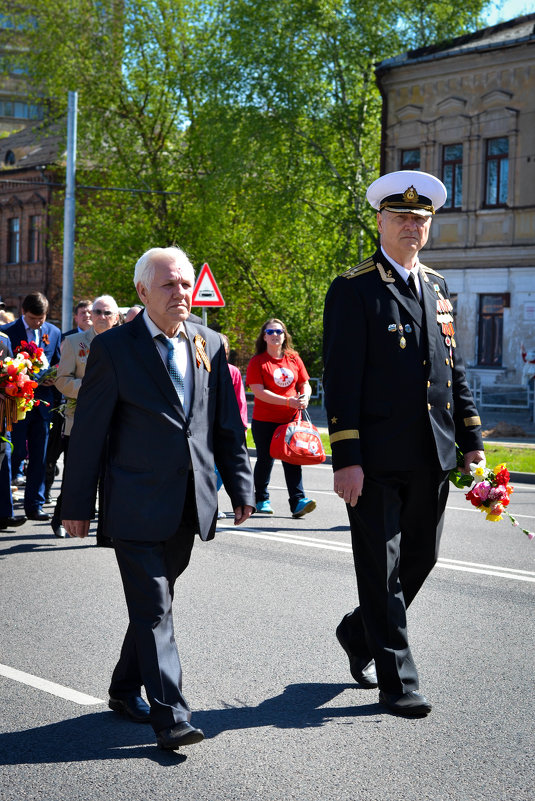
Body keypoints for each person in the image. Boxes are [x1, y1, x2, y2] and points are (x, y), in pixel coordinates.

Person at [61, 246, 255, 751]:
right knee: (154, 609)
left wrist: (241, 486)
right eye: (169, 284)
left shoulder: (209, 343)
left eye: (186, 283)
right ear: (143, 292)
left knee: (157, 605)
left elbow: (226, 423)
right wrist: (76, 504)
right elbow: (90, 434)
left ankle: (125, 689)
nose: (181, 292)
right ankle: (171, 716)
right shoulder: (115, 348)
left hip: (189, 504)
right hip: (134, 503)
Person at [323, 170, 485, 718]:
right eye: (401, 217)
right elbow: (341, 380)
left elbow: (451, 370)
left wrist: (472, 439)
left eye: (420, 219)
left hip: (431, 454)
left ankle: (357, 631)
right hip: (373, 460)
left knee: (422, 556)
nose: (412, 227)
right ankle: (398, 681)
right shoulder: (354, 288)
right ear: (380, 222)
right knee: (381, 566)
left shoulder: (436, 287)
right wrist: (346, 458)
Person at [51, 295, 120, 539]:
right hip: (82, 421)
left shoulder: (125, 344)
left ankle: (106, 533)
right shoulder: (74, 342)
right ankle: (61, 516)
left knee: (111, 479)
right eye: (97, 312)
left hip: (116, 423)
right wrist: (93, 389)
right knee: (78, 475)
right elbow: (61, 380)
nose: (101, 317)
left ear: (116, 317)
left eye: (106, 313)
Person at [246, 318, 316, 517]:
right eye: (270, 332)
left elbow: (305, 383)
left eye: (279, 331)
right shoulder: (258, 361)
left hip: (292, 420)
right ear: (264, 336)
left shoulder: (293, 358)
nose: (275, 335)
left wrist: (306, 397)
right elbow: (258, 392)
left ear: (285, 335)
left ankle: (298, 501)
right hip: (265, 420)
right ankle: (261, 498)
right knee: (265, 459)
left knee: (293, 459)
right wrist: (287, 402)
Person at [1, 292, 61, 520]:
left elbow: (56, 361)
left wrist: (53, 377)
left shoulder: (53, 332)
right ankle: (5, 506)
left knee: (40, 455)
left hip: (42, 403)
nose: (38, 323)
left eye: (41, 319)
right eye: (33, 318)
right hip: (15, 403)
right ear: (23, 313)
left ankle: (35, 504)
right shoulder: (8, 333)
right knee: (13, 455)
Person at [0, 329, 26, 529]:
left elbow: (10, 370)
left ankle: (4, 513)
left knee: (4, 459)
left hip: (2, 413)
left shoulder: (3, 339)